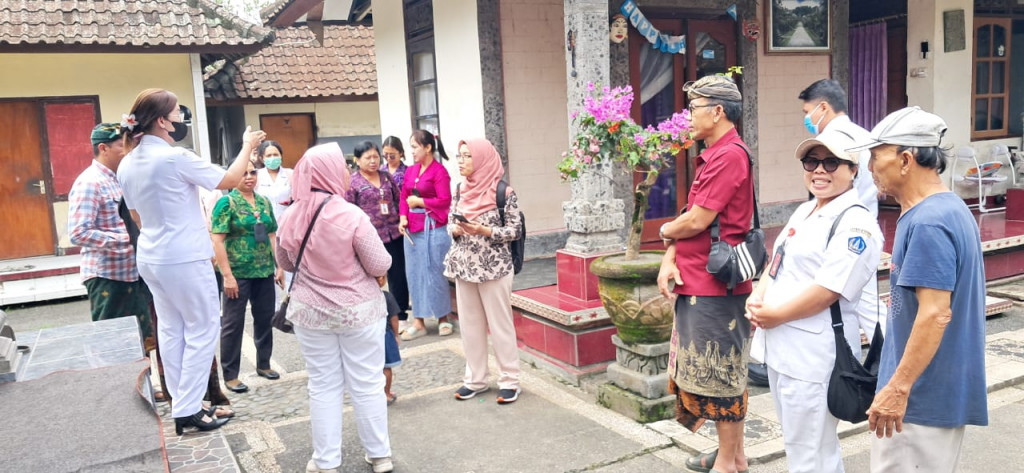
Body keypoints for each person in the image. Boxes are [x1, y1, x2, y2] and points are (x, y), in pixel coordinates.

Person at [117, 88, 265, 435]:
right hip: (183, 255)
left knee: (172, 329)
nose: (181, 117)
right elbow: (228, 181)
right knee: (201, 328)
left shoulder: (127, 161)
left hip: (152, 253)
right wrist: (247, 146)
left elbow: (137, 217)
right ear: (162, 121)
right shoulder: (173, 157)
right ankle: (188, 408)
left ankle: (185, 403)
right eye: (176, 112)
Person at [850, 107, 988, 472]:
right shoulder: (949, 208)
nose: (870, 167)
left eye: (876, 155)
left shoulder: (929, 221)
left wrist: (897, 388)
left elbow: (935, 313)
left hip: (920, 402)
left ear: (906, 159)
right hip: (931, 396)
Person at [745, 128, 882, 472]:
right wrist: (758, 296)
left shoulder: (856, 224)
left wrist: (775, 315)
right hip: (782, 349)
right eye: (811, 161)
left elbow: (829, 290)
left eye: (831, 162)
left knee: (811, 453)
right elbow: (776, 265)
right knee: (801, 446)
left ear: (853, 170)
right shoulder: (805, 211)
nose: (819, 170)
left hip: (813, 357)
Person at [277, 142, 393, 473]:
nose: (345, 172)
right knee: (368, 382)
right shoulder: (350, 214)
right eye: (341, 167)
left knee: (323, 386)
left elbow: (284, 261)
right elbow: (379, 262)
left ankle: (326, 461)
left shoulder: (290, 215)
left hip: (311, 315)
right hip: (358, 312)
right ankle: (380, 455)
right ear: (328, 172)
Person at [655, 75, 752, 473]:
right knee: (716, 373)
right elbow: (692, 219)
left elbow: (697, 218)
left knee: (722, 373)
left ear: (718, 111)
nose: (687, 117)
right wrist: (670, 253)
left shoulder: (729, 155)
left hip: (715, 287)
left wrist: (663, 232)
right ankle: (735, 456)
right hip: (700, 277)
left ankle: (727, 462)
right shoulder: (715, 153)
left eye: (693, 109)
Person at [799, 79, 882, 338]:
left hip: (837, 228)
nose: (807, 119)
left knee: (847, 301)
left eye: (807, 112)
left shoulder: (829, 140)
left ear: (823, 107)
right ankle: (889, 357)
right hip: (865, 222)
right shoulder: (865, 135)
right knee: (867, 303)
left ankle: (888, 361)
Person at [445, 138, 523, 404]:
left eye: (467, 156)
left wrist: (485, 230)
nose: (461, 161)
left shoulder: (504, 192)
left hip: (495, 268)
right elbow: (448, 222)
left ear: (482, 159)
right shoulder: (459, 189)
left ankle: (510, 381)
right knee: (470, 327)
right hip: (465, 266)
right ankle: (475, 380)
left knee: (500, 326)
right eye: (459, 156)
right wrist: (455, 229)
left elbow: (515, 230)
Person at [68, 123, 153, 345]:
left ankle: (142, 380)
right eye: (121, 145)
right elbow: (78, 232)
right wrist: (125, 240)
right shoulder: (90, 182)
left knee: (143, 341)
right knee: (113, 343)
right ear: (103, 148)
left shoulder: (122, 177)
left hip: (134, 273)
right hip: (109, 277)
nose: (128, 150)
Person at [211, 160, 284, 393]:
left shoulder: (263, 202)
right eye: (243, 173)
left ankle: (264, 363)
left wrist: (279, 265)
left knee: (265, 318)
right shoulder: (227, 202)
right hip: (238, 273)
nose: (249, 177)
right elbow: (217, 241)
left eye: (253, 172)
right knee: (233, 324)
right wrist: (227, 276)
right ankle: (231, 375)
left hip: (263, 270)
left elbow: (272, 234)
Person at [346, 141, 408, 335]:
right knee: (372, 278)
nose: (373, 161)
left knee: (398, 276)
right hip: (369, 238)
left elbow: (400, 200)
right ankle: (374, 316)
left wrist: (402, 219)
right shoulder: (352, 182)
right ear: (357, 160)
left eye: (375, 156)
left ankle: (402, 316)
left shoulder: (387, 177)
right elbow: (349, 211)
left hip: (394, 233)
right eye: (368, 157)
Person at [398, 131, 454, 340]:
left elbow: (444, 200)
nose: (411, 151)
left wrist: (421, 202)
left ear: (427, 148)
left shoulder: (440, 172)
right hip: (413, 230)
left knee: (435, 273)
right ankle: (419, 320)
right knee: (414, 274)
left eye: (414, 147)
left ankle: (443, 318)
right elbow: (404, 197)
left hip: (434, 228)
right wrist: (403, 217)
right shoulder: (411, 171)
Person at [381, 136, 411, 323]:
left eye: (392, 155)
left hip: (402, 222)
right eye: (386, 155)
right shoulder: (381, 172)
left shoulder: (407, 172)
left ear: (400, 153)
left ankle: (402, 304)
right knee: (391, 268)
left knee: (401, 268)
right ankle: (397, 304)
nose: (389, 159)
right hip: (384, 225)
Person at [254, 140, 293, 226]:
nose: (272, 158)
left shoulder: (290, 174)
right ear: (261, 158)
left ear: (280, 156)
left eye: (275, 155)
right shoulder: (256, 176)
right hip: (264, 224)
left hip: (287, 224)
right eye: (268, 155)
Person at [380, 277, 402, 406]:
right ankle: (386, 393)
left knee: (380, 367)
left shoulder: (386, 297)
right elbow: (394, 318)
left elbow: (394, 318)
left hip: (373, 335)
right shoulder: (386, 297)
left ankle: (383, 392)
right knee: (386, 367)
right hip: (384, 334)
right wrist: (395, 334)